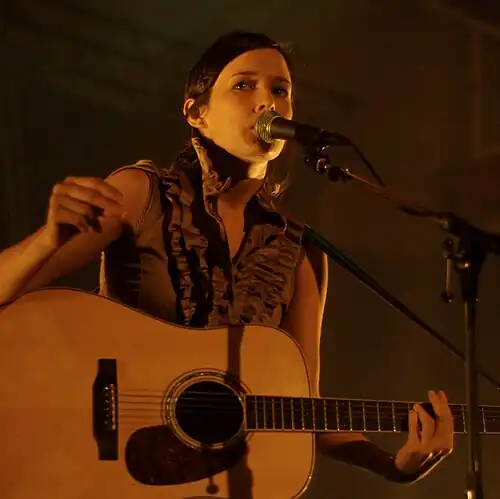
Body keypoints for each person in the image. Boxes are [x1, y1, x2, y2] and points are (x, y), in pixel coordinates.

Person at [0, 30, 453, 486]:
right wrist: (47, 240)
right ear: (197, 113)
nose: (266, 102)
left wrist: (395, 467)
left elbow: (307, 410)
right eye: (243, 85)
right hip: (96, 468)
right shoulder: (141, 194)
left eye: (280, 90)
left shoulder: (299, 251)